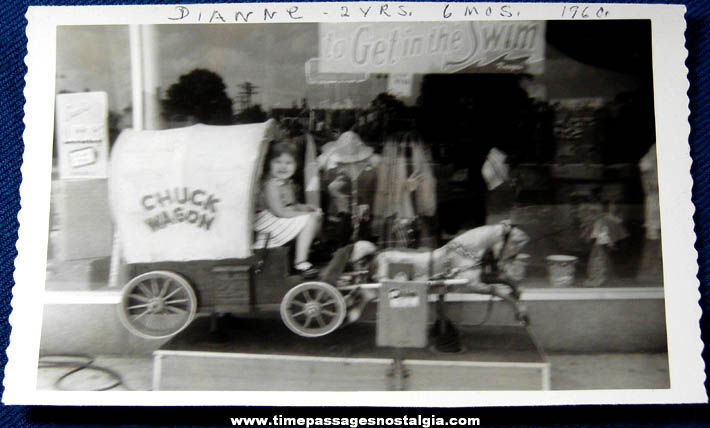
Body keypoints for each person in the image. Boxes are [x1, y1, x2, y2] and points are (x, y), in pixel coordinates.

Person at [254, 140, 322, 276]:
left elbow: (293, 205)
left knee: (316, 214)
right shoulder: (271, 185)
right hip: (268, 223)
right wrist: (302, 215)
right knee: (309, 220)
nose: (283, 167)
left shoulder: (286, 183)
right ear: (269, 164)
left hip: (280, 216)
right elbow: (279, 211)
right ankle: (300, 262)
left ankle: (307, 248)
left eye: (288, 163)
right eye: (278, 162)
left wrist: (307, 208)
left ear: (295, 165)